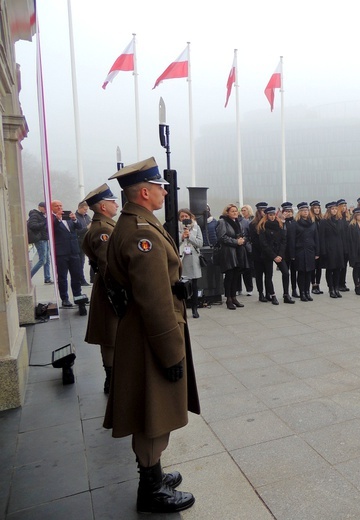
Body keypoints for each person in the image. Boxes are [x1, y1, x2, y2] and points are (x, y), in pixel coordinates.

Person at [104, 157, 199, 513]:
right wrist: (171, 351)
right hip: (151, 337)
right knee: (154, 412)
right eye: (160, 186)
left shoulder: (136, 223)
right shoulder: (142, 232)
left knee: (153, 409)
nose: (165, 191)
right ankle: (151, 488)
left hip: (143, 333)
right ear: (145, 192)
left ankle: (154, 472)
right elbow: (155, 301)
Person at [82, 184, 119, 393]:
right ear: (103, 206)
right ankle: (111, 379)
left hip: (106, 289)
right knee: (110, 336)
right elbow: (108, 265)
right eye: (112, 201)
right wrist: (119, 293)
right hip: (108, 290)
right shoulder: (104, 229)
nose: (116, 204)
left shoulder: (103, 224)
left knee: (110, 335)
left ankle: (112, 377)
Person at [51, 200, 85, 307]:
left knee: (76, 275)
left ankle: (78, 296)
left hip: (74, 251)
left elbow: (79, 227)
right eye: (57, 206)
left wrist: (74, 219)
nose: (60, 208)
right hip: (61, 253)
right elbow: (49, 230)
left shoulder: (68, 217)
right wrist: (57, 219)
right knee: (62, 277)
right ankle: (65, 299)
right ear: (52, 208)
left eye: (61, 205)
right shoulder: (51, 219)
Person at [216, 204, 250, 310]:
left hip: (238, 252)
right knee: (229, 276)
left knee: (236, 276)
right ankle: (228, 299)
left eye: (236, 211)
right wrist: (236, 241)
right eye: (232, 211)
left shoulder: (238, 222)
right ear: (227, 212)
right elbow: (222, 237)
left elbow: (243, 234)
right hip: (228, 252)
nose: (235, 213)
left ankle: (234, 297)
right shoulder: (222, 222)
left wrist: (243, 240)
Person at [257, 207, 293, 304]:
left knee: (286, 273)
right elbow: (263, 244)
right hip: (268, 254)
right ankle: (272, 295)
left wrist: (280, 254)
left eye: (274, 215)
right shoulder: (262, 227)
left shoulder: (280, 225)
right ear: (267, 216)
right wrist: (273, 256)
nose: (272, 217)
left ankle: (286, 294)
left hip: (279, 253)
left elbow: (284, 240)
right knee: (269, 275)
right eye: (270, 215)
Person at [287, 202, 320, 302]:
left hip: (310, 251)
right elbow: (291, 240)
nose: (305, 212)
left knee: (309, 273)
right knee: (301, 273)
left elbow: (316, 238)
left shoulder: (312, 223)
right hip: (300, 251)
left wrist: (317, 252)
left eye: (306, 210)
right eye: (303, 211)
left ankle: (307, 292)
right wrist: (292, 254)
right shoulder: (295, 224)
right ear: (300, 212)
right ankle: (302, 293)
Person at [178, 209, 203, 318]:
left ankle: (194, 308)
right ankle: (181, 308)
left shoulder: (196, 227)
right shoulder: (176, 227)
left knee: (194, 285)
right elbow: (172, 241)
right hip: (180, 257)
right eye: (182, 216)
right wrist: (182, 236)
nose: (184, 218)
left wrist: (190, 236)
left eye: (186, 216)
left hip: (192, 258)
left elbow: (200, 243)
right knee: (180, 284)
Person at [320, 201, 347, 298]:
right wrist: (323, 251)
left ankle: (336, 288)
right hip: (329, 248)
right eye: (332, 209)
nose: (334, 210)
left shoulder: (339, 220)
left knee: (338, 269)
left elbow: (343, 235)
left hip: (338, 248)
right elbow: (321, 237)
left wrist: (344, 249)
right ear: (329, 210)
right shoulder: (324, 221)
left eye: (336, 209)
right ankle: (331, 289)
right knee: (330, 269)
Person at [27, 201, 53, 284]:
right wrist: (45, 222)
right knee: (42, 260)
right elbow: (32, 226)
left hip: (44, 238)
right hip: (40, 239)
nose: (46, 210)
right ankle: (29, 276)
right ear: (39, 207)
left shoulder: (42, 215)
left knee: (47, 260)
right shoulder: (35, 215)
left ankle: (47, 278)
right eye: (44, 208)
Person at [249, 202, 267, 301]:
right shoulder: (253, 224)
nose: (264, 212)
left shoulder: (268, 222)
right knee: (259, 275)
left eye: (265, 210)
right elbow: (254, 240)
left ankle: (269, 292)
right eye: (262, 210)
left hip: (268, 254)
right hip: (258, 253)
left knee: (268, 275)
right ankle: (261, 293)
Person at [281, 202, 299, 297]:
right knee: (285, 273)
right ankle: (286, 292)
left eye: (290, 211)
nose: (289, 213)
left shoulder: (295, 222)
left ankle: (294, 290)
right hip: (285, 252)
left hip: (295, 251)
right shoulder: (281, 223)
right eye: (286, 211)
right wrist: (283, 220)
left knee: (294, 272)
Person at [74, 201, 92, 285]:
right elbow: (77, 231)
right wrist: (87, 227)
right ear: (79, 208)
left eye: (87, 209)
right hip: (79, 241)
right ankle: (81, 280)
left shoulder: (87, 217)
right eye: (85, 209)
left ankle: (93, 277)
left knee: (91, 259)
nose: (86, 211)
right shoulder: (75, 218)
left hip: (88, 240)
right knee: (81, 261)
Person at [239, 204, 255, 296]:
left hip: (247, 247)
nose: (242, 212)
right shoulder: (239, 221)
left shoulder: (249, 221)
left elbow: (250, 235)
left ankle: (249, 288)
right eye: (242, 210)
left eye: (244, 210)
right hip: (239, 246)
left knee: (247, 268)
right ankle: (238, 288)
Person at [310, 200, 324, 294]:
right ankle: (313, 285)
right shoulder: (310, 220)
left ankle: (318, 284)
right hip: (313, 246)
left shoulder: (321, 220)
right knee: (313, 267)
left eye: (318, 208)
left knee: (319, 267)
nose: (317, 209)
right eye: (315, 208)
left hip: (321, 245)